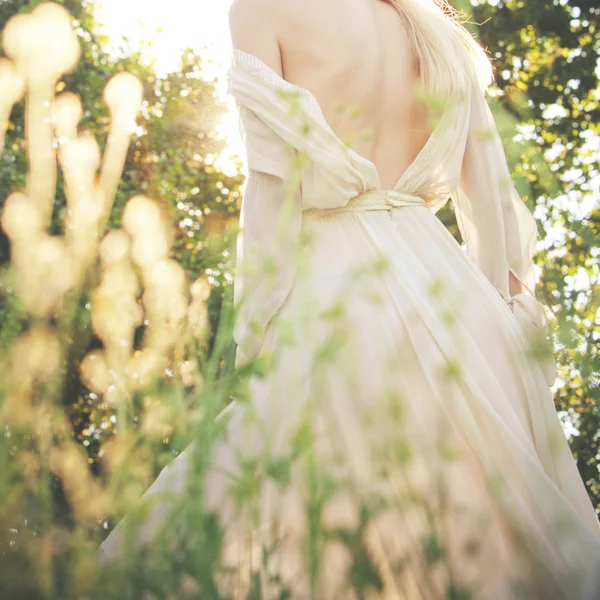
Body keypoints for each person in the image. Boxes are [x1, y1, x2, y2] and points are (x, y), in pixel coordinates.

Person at [98, 0, 600, 597]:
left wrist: (253, 332)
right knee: (479, 522)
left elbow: (271, 183)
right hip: (449, 288)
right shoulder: (433, 31)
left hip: (334, 283)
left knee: (286, 501)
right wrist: (496, 314)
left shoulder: (261, 11)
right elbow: (488, 194)